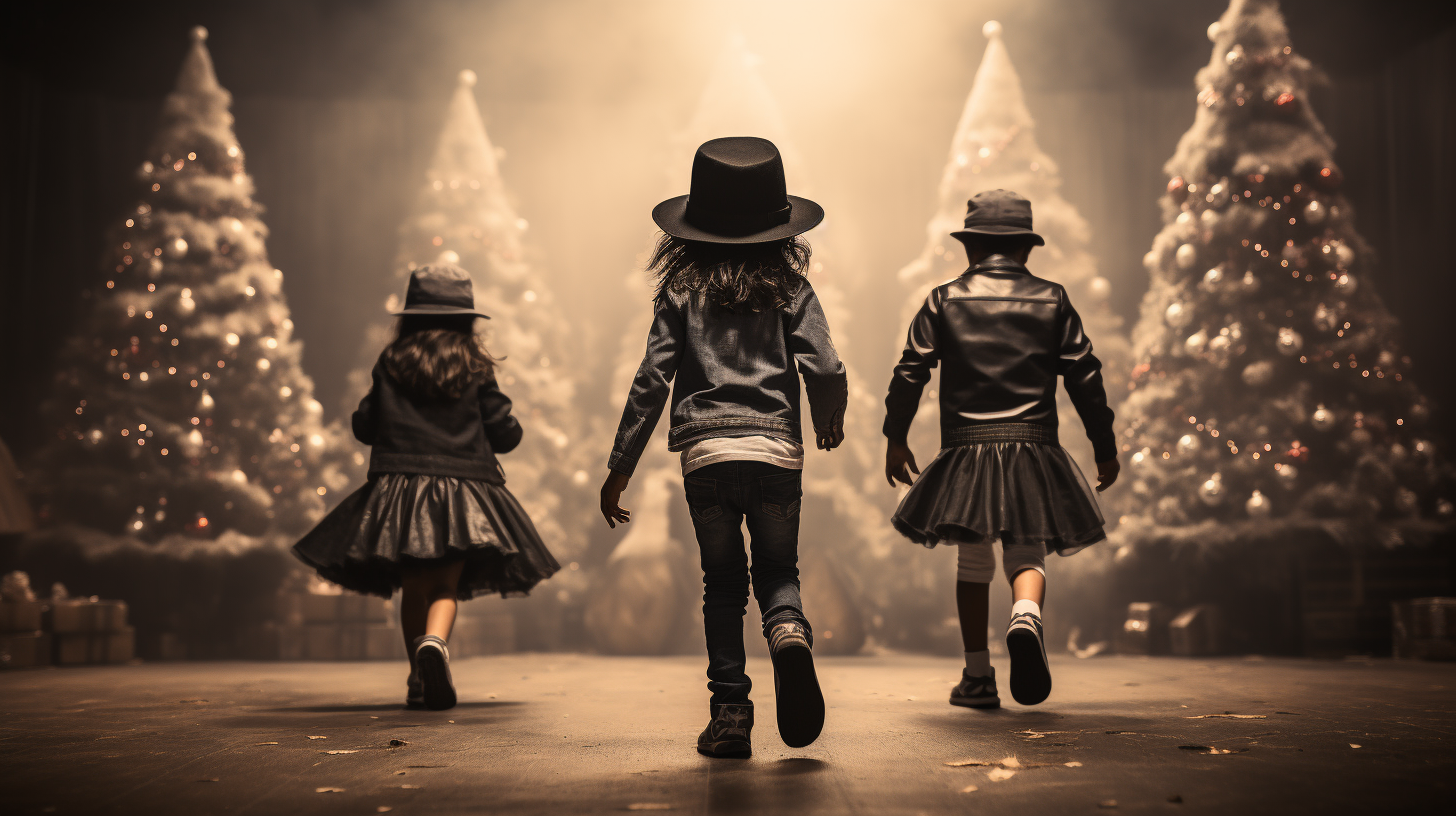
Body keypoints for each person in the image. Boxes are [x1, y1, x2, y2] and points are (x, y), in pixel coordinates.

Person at [601, 137, 847, 758]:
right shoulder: (790, 289)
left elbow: (651, 380)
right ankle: (789, 635)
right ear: (781, 227)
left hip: (707, 458)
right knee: (778, 573)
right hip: (775, 455)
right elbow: (826, 365)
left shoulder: (680, 294)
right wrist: (827, 417)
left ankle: (731, 715)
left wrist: (620, 467)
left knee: (722, 586)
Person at [884, 189, 1119, 710]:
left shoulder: (943, 298)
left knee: (972, 559)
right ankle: (1025, 617)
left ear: (970, 249)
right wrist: (1104, 446)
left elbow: (910, 372)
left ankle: (977, 676)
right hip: (1034, 447)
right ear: (1026, 249)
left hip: (967, 450)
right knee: (1027, 550)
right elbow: (1085, 375)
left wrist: (895, 437)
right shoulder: (1053, 298)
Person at [294, 264, 559, 710]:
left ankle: (418, 677)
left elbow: (365, 424)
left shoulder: (392, 361)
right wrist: (505, 426)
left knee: (413, 587)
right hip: (462, 494)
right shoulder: (475, 364)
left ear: (410, 317)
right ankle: (435, 643)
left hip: (399, 492)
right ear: (467, 320)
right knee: (444, 588)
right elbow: (504, 431)